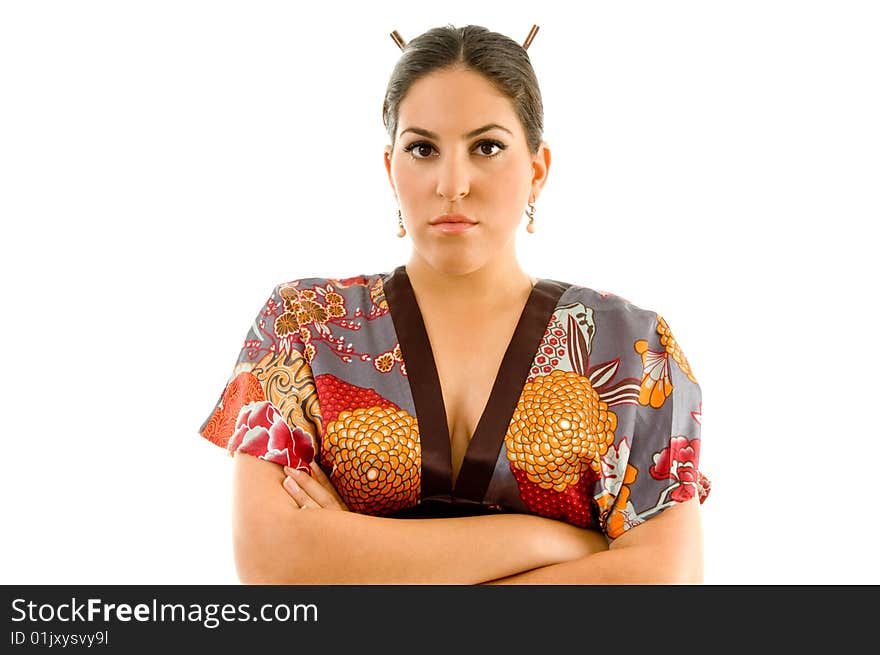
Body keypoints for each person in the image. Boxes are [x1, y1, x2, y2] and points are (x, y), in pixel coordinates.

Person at [197, 24, 710, 584]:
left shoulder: (631, 346)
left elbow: (665, 581)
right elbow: (273, 564)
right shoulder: (304, 325)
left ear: (537, 169)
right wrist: (559, 542)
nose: (452, 183)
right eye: (422, 149)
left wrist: (359, 564)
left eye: (486, 147)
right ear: (390, 168)